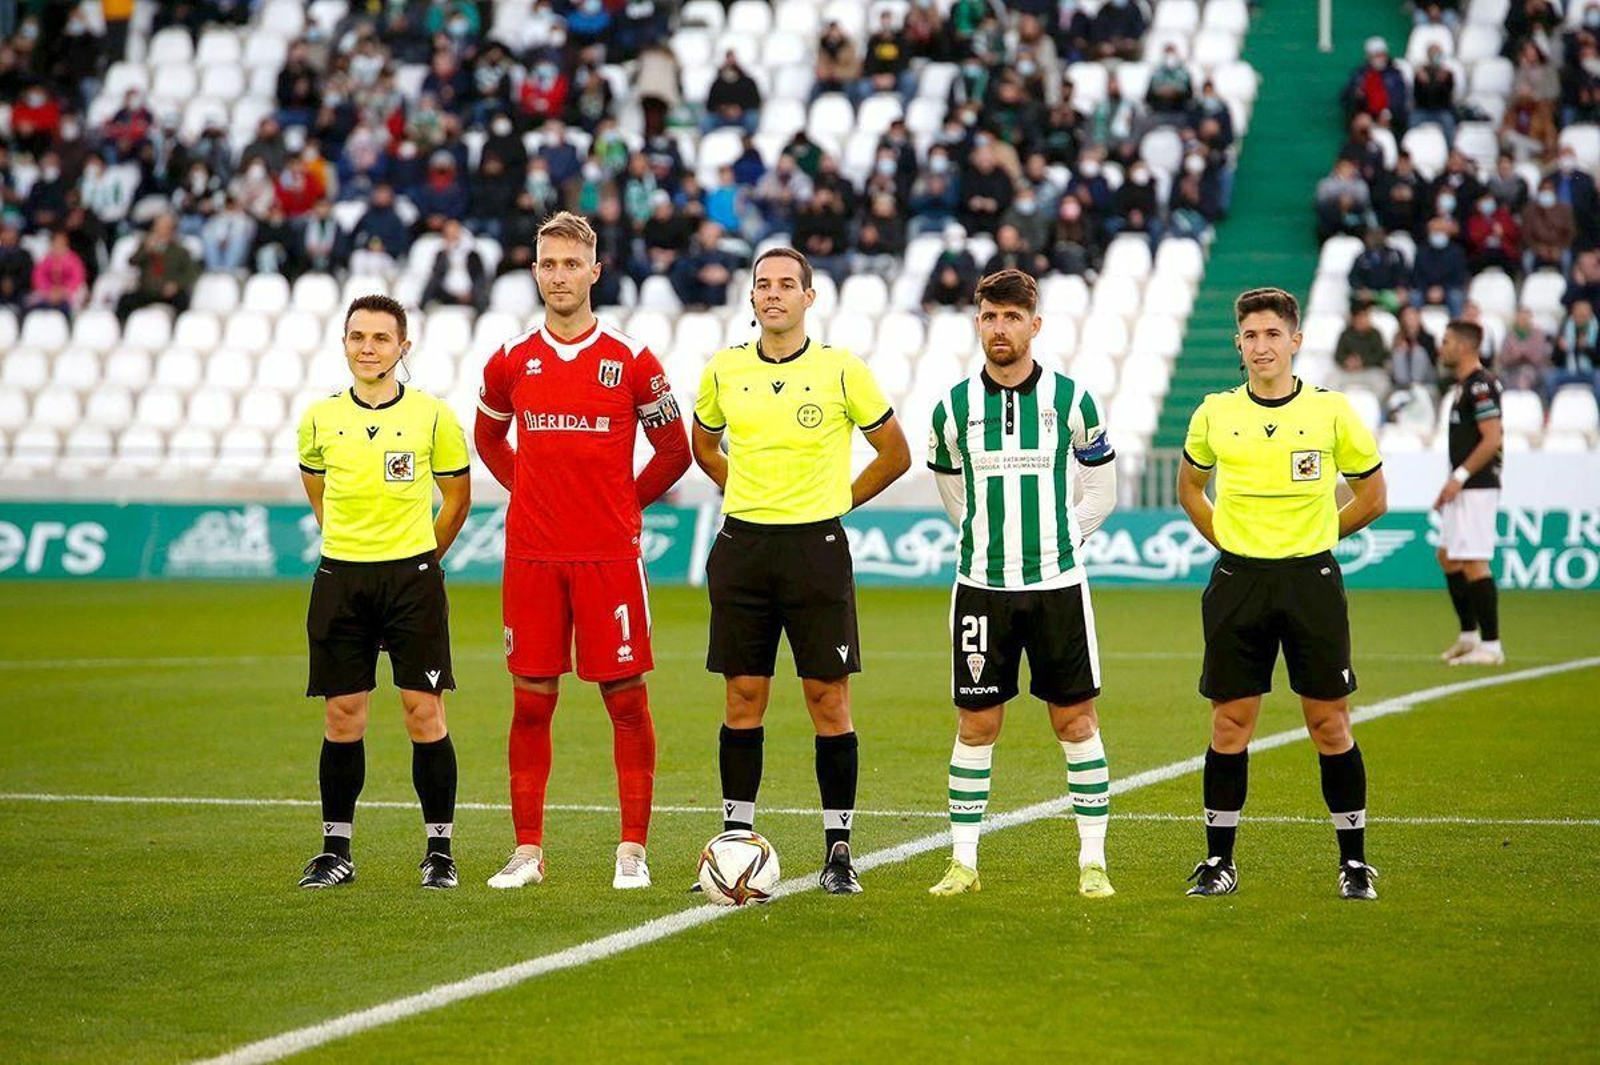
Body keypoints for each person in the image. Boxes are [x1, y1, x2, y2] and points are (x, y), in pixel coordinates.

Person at [474, 212, 691, 891]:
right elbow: (487, 439)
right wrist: (528, 489)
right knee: (531, 701)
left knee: (626, 700)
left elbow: (675, 449)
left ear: (595, 271)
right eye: (548, 264)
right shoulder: (511, 359)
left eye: (572, 264)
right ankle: (527, 850)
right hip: (533, 556)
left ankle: (632, 849)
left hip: (609, 557)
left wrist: (625, 505)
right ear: (534, 271)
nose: (559, 275)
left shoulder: (631, 359)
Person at [691, 247, 911, 894]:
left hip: (816, 550)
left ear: (809, 297)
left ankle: (838, 849)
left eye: (788, 284)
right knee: (742, 698)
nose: (774, 294)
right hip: (743, 549)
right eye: (764, 285)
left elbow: (894, 453)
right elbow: (703, 443)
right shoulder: (725, 369)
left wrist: (836, 500)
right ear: (752, 297)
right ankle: (735, 842)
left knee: (828, 699)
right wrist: (742, 488)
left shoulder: (841, 369)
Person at [1176, 287, 1388, 901]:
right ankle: (1219, 862)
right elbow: (1191, 487)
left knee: (1328, 722)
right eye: (1251, 336)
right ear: (1238, 344)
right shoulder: (1215, 411)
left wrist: (1318, 534)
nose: (1261, 346)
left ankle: (1353, 864)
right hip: (1239, 581)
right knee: (1230, 724)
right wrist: (1229, 537)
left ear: (1295, 341)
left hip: (1310, 581)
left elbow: (1373, 497)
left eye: (1273, 335)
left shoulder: (1333, 412)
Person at [924, 269, 1119, 899]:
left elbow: (1102, 489)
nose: (999, 328)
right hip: (981, 588)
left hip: (1059, 586)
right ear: (977, 322)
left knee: (1075, 721)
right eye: (988, 316)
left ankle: (1093, 861)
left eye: (1011, 317)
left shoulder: (1074, 400)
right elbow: (953, 493)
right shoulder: (952, 408)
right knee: (976, 724)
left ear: (1034, 325)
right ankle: (963, 862)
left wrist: (1066, 535)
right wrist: (985, 538)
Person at [295, 294, 473, 890]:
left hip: (411, 580)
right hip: (340, 579)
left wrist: (424, 556)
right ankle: (335, 850)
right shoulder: (320, 417)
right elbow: (316, 488)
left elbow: (457, 499)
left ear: (404, 346)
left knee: (423, 713)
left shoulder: (433, 415)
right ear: (344, 343)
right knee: (343, 716)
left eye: (379, 338)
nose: (367, 348)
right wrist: (349, 543)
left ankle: (440, 851)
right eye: (357, 337)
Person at [1433, 321, 1506, 668]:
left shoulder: (1481, 385)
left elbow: (1492, 438)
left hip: (1477, 485)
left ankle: (1491, 646)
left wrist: (1460, 477)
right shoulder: (1463, 386)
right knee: (1447, 555)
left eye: (1446, 341)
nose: (1441, 347)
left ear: (1464, 346)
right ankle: (1468, 636)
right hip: (1464, 485)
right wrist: (1451, 483)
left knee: (1475, 561)